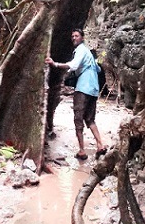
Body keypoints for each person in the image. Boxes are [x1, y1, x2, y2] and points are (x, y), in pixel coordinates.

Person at [45, 29, 108, 160]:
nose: (74, 38)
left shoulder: (80, 50)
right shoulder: (89, 53)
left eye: (77, 36)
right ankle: (100, 145)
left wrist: (54, 64)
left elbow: (73, 65)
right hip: (94, 89)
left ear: (82, 38)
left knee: (78, 119)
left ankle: (81, 151)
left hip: (83, 88)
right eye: (72, 36)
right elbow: (98, 69)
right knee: (90, 119)